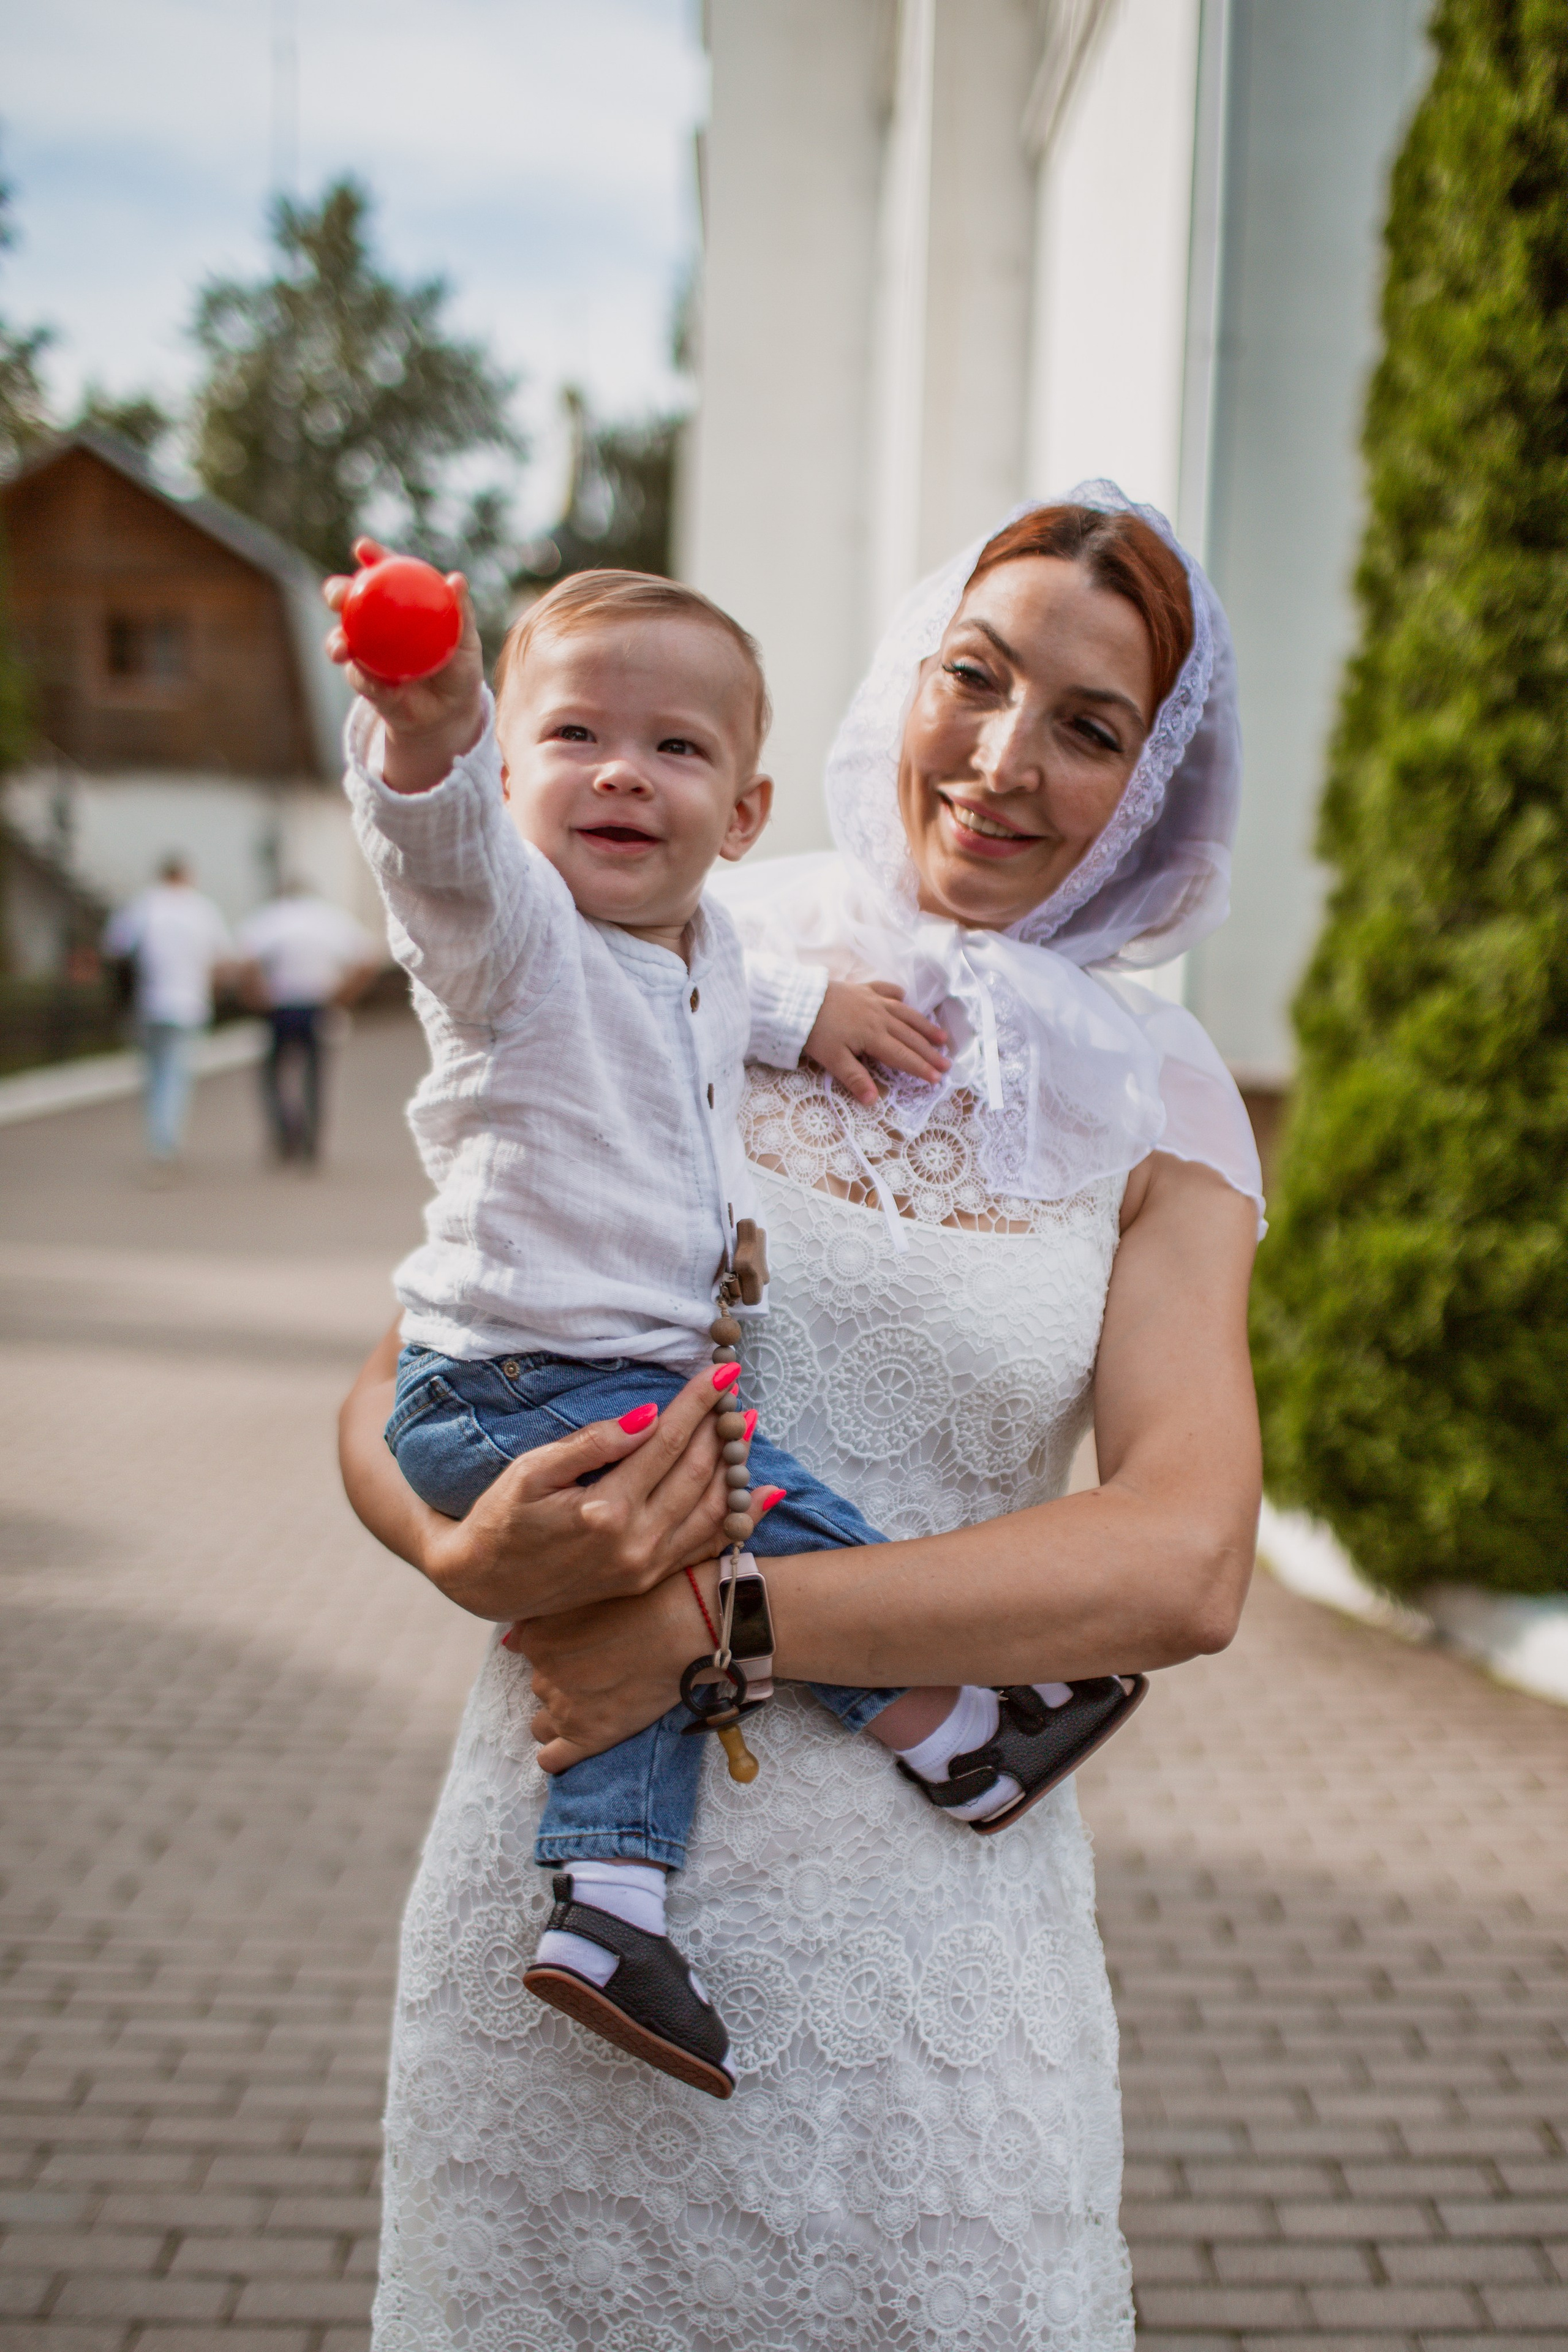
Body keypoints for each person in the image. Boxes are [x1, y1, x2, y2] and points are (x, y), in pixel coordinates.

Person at [338, 484, 1264, 2351]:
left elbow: (1186, 1556)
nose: (1001, 760)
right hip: (557, 1921)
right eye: (973, 678)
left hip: (924, 1960)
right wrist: (457, 1544)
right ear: (905, 677)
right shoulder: (673, 925)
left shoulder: (1164, 1097)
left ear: (1151, 789)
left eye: (1088, 728)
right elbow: (401, 1376)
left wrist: (711, 1625)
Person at [103, 854, 232, 1175]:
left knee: (154, 1073)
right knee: (177, 1074)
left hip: (150, 1002)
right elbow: (222, 958)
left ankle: (158, 1140)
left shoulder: (142, 905)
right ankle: (166, 1142)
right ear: (187, 876)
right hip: (190, 1004)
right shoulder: (202, 909)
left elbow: (116, 949)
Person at [235, 881, 381, 1163]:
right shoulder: (331, 919)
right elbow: (368, 959)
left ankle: (285, 1134)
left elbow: (246, 960)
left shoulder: (272, 917)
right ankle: (312, 1142)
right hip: (318, 1005)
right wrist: (343, 997)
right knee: (314, 1075)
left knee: (273, 1075)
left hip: (279, 1007)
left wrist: (255, 997)